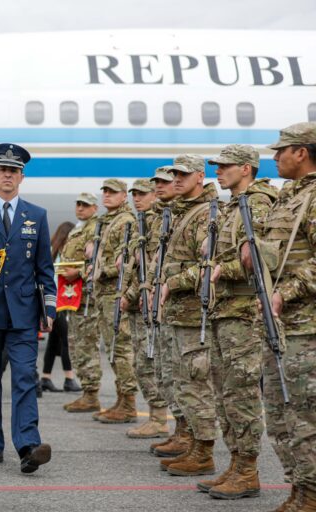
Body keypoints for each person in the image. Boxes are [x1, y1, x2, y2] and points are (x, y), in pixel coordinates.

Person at [241, 122, 316, 510]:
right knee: (280, 414)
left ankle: (312, 493)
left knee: (305, 416)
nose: (274, 158)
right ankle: (299, 489)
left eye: (280, 151)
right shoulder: (288, 198)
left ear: (301, 152)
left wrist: (285, 292)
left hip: (306, 328)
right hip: (279, 327)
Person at [0, 143, 56, 473]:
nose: (8, 176)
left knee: (24, 378)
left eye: (14, 171)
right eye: (2, 170)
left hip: (23, 316)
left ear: (22, 177)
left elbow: (45, 268)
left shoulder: (37, 216)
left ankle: (27, 446)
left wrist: (49, 308)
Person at [196, 145, 276, 500]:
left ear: (246, 169)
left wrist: (218, 270)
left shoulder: (256, 203)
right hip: (223, 310)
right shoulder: (232, 206)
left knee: (240, 393)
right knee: (224, 391)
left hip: (243, 312)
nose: (218, 171)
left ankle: (248, 470)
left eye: (225, 166)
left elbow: (255, 258)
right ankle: (235, 462)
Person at [156, 154, 219, 477]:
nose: (176, 179)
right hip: (179, 314)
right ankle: (193, 442)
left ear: (199, 176)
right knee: (183, 383)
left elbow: (208, 266)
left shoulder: (205, 214)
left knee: (196, 383)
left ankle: (204, 451)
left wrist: (172, 282)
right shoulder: (183, 212)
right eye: (173, 174)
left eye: (183, 174)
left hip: (196, 315)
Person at [143, 169, 189, 457]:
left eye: (164, 182)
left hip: (184, 306)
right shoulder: (160, 216)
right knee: (165, 371)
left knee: (183, 376)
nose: (159, 187)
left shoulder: (186, 215)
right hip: (164, 304)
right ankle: (180, 431)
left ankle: (189, 437)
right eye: (156, 183)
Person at [121, 178, 170, 439]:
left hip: (146, 303)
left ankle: (159, 418)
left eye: (142, 194)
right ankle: (155, 415)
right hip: (136, 302)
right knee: (141, 362)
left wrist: (129, 294)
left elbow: (150, 267)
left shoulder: (157, 222)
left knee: (149, 362)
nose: (136, 199)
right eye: (134, 195)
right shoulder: (141, 222)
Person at [90, 179, 137, 424]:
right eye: (105, 192)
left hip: (115, 293)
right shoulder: (107, 221)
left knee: (121, 348)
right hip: (104, 293)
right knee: (112, 348)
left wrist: (101, 269)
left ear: (123, 195)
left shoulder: (126, 221)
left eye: (112, 192)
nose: (106, 196)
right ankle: (121, 398)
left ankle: (128, 402)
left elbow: (126, 260)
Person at [62, 193, 103, 413]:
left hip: (87, 295)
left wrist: (77, 272)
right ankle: (87, 392)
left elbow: (98, 260)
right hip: (73, 294)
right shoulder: (79, 228)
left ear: (94, 208)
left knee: (86, 344)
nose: (80, 208)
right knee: (76, 344)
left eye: (85, 205)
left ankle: (91, 393)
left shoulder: (95, 228)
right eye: (78, 204)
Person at [40, 221, 82, 393]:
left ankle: (46, 377)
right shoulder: (63, 255)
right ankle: (69, 378)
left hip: (49, 302)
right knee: (66, 339)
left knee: (53, 341)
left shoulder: (51, 251)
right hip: (59, 301)